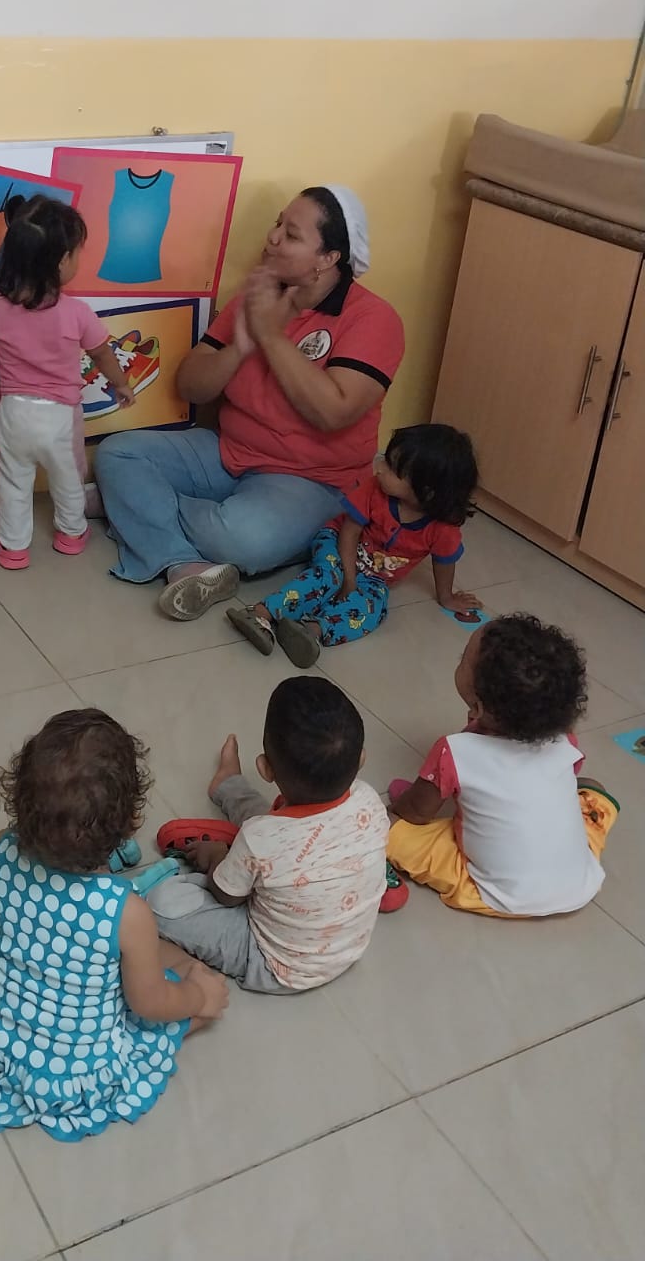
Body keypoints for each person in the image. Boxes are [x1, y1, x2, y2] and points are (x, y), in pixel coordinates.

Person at [93, 185, 405, 620]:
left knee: (242, 541)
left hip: (312, 479)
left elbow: (334, 412)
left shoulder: (373, 318)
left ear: (328, 258)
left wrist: (270, 334)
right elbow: (192, 386)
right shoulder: (255, 296)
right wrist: (241, 345)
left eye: (291, 234)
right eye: (277, 224)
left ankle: (133, 509)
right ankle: (182, 563)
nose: (272, 238)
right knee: (119, 453)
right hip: (228, 451)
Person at [0, 708, 228, 1140]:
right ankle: (199, 995)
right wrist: (195, 995)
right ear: (131, 823)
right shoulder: (125, 912)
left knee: (148, 956)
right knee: (188, 995)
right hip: (77, 1069)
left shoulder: (0, 847)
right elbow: (148, 1004)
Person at [147, 677, 392, 992]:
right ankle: (228, 789)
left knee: (162, 902)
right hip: (349, 948)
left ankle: (229, 790)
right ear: (361, 759)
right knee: (276, 830)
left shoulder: (260, 838)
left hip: (273, 964)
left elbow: (226, 896)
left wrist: (219, 856)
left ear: (265, 768)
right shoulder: (370, 801)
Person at [387, 615, 619, 916]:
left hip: (493, 893)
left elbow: (416, 813)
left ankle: (382, 875)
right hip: (580, 883)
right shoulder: (564, 741)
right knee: (594, 788)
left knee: (381, 824)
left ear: (478, 707)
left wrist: (401, 810)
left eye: (462, 659)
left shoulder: (453, 751)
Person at [0, 195, 136, 569]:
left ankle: (12, 547)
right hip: (61, 416)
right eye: (77, 253)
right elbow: (103, 354)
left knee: (13, 481)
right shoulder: (77, 313)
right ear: (61, 262)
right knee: (69, 478)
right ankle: (71, 535)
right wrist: (121, 384)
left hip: (15, 413)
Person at [226, 423, 482, 667]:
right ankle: (261, 614)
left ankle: (310, 631)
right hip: (336, 542)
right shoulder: (374, 491)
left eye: (392, 468)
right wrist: (348, 578)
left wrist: (446, 597)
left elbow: (444, 561)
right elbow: (349, 532)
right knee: (329, 576)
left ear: (427, 491)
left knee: (373, 606)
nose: (379, 469)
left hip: (375, 577)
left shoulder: (443, 529)